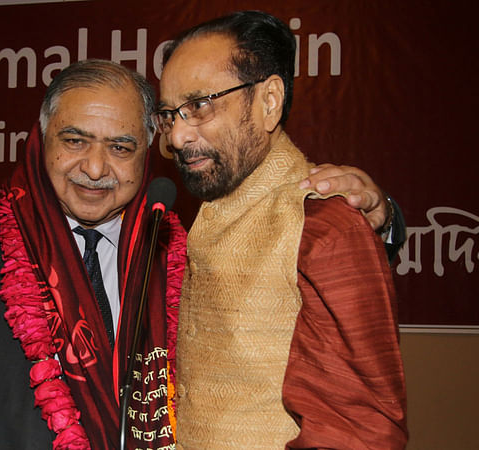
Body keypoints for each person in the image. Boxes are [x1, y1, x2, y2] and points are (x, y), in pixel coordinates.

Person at [0, 60, 398, 449]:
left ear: (148, 155)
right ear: (40, 139)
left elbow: (306, 288)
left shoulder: (180, 249)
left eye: (120, 147)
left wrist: (381, 218)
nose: (96, 168)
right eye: (75, 141)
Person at [155, 11, 408, 449]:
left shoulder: (322, 225)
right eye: (169, 114)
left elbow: (358, 433)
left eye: (199, 106)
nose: (177, 135)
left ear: (268, 101)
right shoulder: (201, 215)